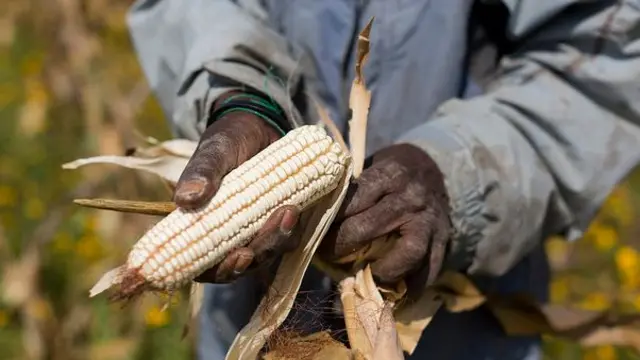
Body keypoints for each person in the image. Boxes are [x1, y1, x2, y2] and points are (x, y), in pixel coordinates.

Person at [125, 1, 640, 359]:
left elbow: (606, 60)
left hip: (456, 335)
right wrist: (246, 98)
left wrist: (455, 177)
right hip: (249, 323)